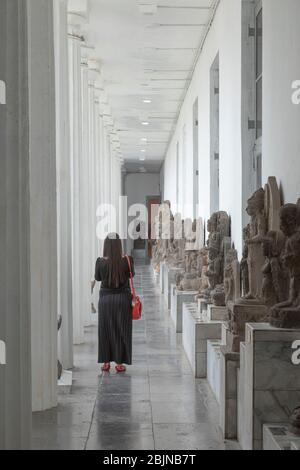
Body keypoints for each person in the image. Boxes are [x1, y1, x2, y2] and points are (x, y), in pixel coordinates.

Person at [93, 234, 135, 373]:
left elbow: (97, 278)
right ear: (119, 245)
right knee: (122, 330)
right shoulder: (127, 260)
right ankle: (119, 363)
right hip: (123, 300)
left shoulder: (100, 262)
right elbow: (131, 275)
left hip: (105, 300)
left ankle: (106, 362)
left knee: (105, 330)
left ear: (105, 246)